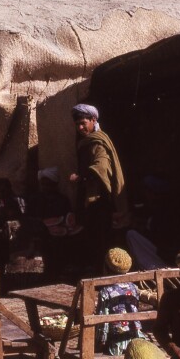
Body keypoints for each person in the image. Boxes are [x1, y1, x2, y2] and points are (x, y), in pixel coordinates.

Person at [69, 104, 128, 273]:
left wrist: (81, 177)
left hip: (100, 201)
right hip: (95, 201)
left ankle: (102, 278)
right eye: (77, 125)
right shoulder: (89, 142)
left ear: (93, 120)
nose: (80, 128)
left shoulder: (97, 142)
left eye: (83, 123)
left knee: (100, 242)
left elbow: (101, 166)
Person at [95, 248, 145, 355]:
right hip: (136, 339)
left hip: (116, 345)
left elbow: (103, 323)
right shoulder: (134, 288)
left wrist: (100, 342)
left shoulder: (105, 292)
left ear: (106, 268)